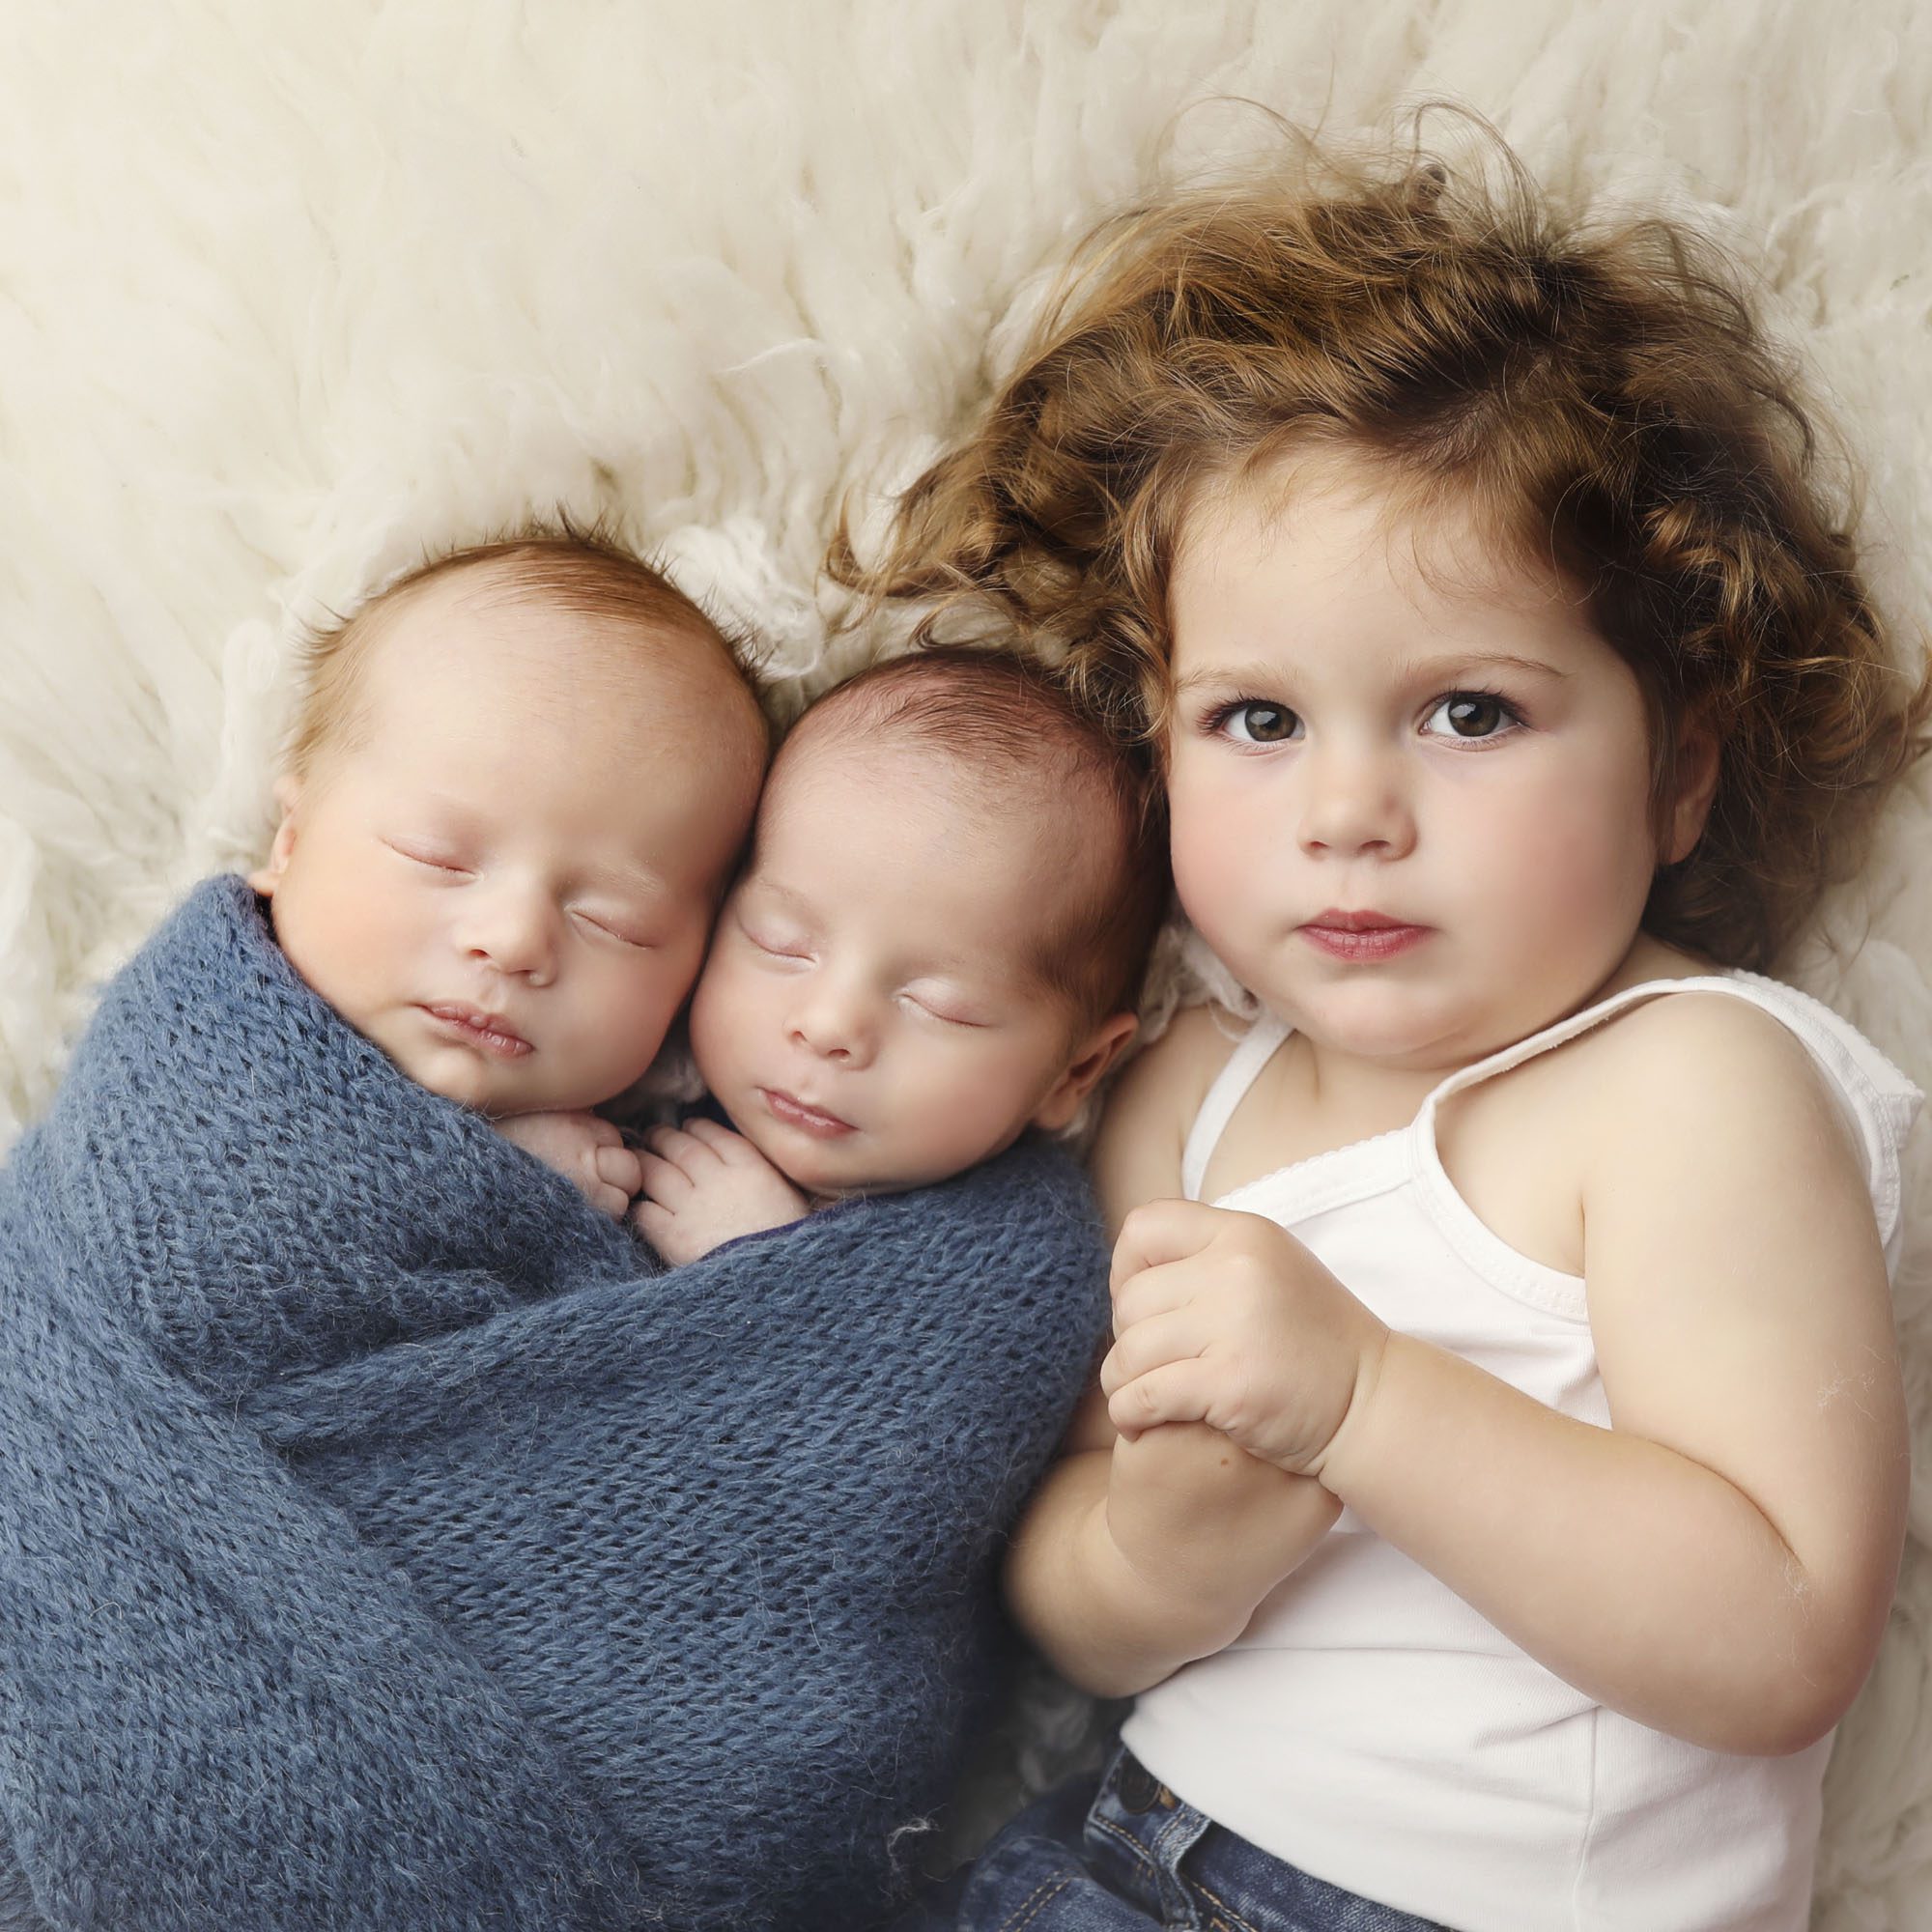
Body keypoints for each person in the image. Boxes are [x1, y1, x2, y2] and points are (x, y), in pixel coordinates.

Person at [857, 129, 1932, 1932]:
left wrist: (1366, 1400)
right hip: (1113, 1852)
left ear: (1676, 771)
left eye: (1468, 712)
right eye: (1259, 722)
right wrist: (1155, 1558)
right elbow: (1053, 1566)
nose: (1351, 808)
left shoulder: (1687, 1090)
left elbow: (1780, 1633)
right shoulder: (1180, 1098)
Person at [607, 644, 1167, 1263]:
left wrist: (767, 1265)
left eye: (938, 1007)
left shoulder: (1017, 1251)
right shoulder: (625, 1063)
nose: (827, 1028)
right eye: (781, 945)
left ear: (1074, 1073)